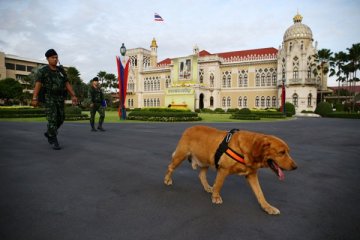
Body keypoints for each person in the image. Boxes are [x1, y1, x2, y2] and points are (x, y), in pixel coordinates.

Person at [31, 49, 78, 150]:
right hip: (49, 98)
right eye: (53, 58)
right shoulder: (43, 71)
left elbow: (67, 83)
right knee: (52, 119)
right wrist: (34, 98)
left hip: (60, 98)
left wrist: (73, 95)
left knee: (61, 118)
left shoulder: (61, 70)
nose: (55, 59)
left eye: (56, 57)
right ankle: (54, 139)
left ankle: (49, 133)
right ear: (48, 59)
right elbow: (38, 84)